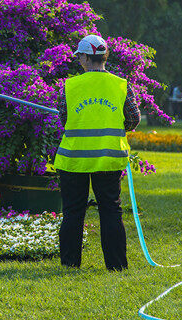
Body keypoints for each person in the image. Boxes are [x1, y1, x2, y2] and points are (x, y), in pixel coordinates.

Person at [54, 35, 140, 271]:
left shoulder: (70, 86)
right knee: (111, 210)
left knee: (73, 211)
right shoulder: (121, 84)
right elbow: (133, 118)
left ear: (84, 57)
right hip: (109, 157)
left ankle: (70, 264)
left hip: (74, 159)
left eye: (79, 56)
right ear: (104, 57)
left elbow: (64, 118)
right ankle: (117, 266)